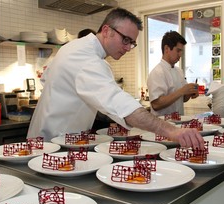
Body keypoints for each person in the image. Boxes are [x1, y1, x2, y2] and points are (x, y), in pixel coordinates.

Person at [27, 7, 204, 150]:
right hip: (52, 144)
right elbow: (120, 104)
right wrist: (173, 132)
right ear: (106, 31)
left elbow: (46, 80)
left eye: (132, 43)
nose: (128, 48)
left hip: (54, 140)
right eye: (125, 40)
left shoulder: (72, 47)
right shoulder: (88, 59)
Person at [147, 31, 199, 116]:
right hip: (162, 125)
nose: (180, 55)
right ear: (167, 49)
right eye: (178, 50)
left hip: (178, 123)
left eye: (181, 51)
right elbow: (156, 104)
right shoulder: (157, 72)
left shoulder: (179, 71)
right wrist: (181, 91)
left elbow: (183, 99)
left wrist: (190, 92)